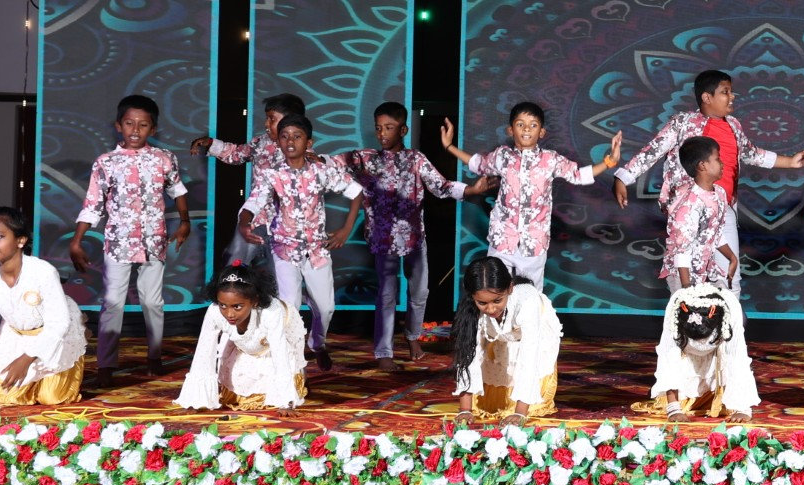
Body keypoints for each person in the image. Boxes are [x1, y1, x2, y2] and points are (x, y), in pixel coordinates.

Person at [612, 69, 804, 295]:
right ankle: (687, 313)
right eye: (725, 92)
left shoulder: (734, 125)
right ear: (707, 97)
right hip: (690, 209)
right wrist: (623, 177)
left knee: (729, 277)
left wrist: (791, 162)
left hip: (723, 208)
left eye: (731, 92)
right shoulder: (683, 123)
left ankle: (730, 318)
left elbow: (751, 153)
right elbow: (653, 150)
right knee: (686, 274)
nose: (732, 96)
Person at [344, 102, 488, 372]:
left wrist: (470, 190)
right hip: (383, 241)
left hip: (414, 239)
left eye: (389, 127)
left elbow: (441, 186)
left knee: (420, 292)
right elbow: (336, 164)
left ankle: (412, 338)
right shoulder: (368, 159)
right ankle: (384, 352)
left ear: (403, 130)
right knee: (386, 295)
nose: (382, 133)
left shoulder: (416, 159)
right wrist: (314, 159)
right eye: (378, 128)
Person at [70, 93, 190, 387]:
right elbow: (93, 203)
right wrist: (77, 240)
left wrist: (184, 221)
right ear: (118, 125)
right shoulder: (106, 163)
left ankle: (154, 356)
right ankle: (106, 365)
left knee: (152, 301)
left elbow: (177, 190)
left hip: (154, 241)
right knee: (113, 302)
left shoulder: (164, 159)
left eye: (143, 125)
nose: (135, 130)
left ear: (153, 129)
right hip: (118, 243)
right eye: (129, 123)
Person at [441, 101, 620, 288]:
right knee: (495, 290)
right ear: (511, 130)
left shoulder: (551, 159)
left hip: (533, 243)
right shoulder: (502, 156)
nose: (527, 129)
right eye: (520, 124)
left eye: (533, 125)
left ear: (541, 132)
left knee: (531, 295)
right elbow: (479, 164)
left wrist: (609, 161)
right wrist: (449, 146)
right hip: (502, 239)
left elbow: (578, 175)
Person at [236, 113, 363, 371]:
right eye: (284, 136)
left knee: (325, 308)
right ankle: (294, 364)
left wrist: (345, 230)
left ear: (309, 142)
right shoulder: (272, 174)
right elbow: (254, 202)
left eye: (297, 136)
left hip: (317, 250)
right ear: (278, 142)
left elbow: (357, 192)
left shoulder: (321, 171)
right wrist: (244, 222)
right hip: (285, 249)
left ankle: (318, 343)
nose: (290, 141)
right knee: (289, 307)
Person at [0, 206, 87, 409]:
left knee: (51, 398)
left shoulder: (43, 272)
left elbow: (59, 323)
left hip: (57, 333)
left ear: (20, 240)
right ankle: (32, 384)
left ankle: (52, 377)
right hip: (16, 335)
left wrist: (26, 359)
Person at [191, 92, 306, 265]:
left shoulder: (304, 151)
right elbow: (237, 154)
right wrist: (211, 143)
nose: (266, 124)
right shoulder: (261, 143)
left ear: (291, 121)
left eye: (272, 119)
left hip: (286, 225)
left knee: (280, 272)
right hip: (255, 219)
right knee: (235, 263)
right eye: (267, 118)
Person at [176, 262, 308, 411]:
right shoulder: (214, 312)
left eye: (237, 306)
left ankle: (301, 377)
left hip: (278, 341)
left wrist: (286, 402)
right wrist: (197, 399)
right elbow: (203, 352)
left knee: (272, 390)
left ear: (255, 301)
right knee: (235, 392)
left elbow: (280, 353)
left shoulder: (271, 313)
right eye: (223, 305)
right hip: (245, 345)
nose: (229, 314)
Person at [451, 254, 562, 424]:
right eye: (482, 303)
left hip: (534, 334)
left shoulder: (528, 302)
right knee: (490, 406)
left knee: (531, 407)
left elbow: (529, 355)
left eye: (497, 300)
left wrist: (520, 414)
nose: (491, 309)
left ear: (510, 288)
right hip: (500, 335)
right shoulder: (471, 307)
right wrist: (465, 410)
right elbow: (468, 353)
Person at [643, 282, 761, 423]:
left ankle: (714, 394)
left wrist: (743, 408)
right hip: (685, 358)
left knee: (728, 404)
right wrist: (673, 408)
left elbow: (737, 355)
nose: (701, 345)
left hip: (717, 356)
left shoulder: (730, 307)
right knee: (666, 403)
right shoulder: (676, 306)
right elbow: (668, 355)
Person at [661, 135, 740, 293]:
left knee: (721, 305)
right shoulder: (689, 204)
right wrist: (687, 291)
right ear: (702, 165)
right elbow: (681, 251)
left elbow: (713, 233)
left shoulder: (719, 193)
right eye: (717, 159)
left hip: (705, 270)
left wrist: (732, 257)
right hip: (683, 275)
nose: (722, 163)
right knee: (690, 310)